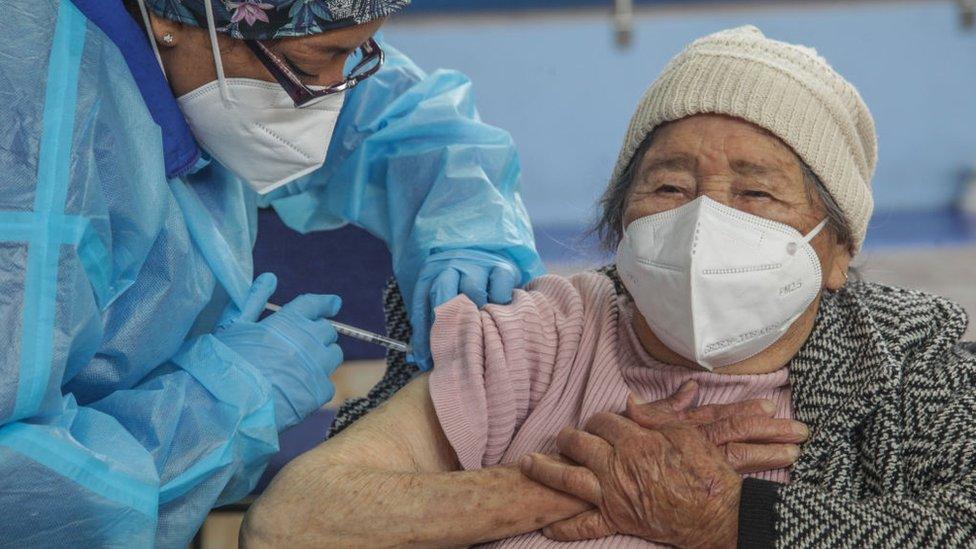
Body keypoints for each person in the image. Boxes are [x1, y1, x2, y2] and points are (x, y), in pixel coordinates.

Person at [241, 26, 976, 548]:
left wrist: (733, 518)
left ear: (838, 249)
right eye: (668, 183)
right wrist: (579, 479)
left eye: (755, 194)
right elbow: (293, 520)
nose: (702, 221)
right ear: (619, 219)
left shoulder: (913, 368)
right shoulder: (544, 333)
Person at [0, 0, 542, 546]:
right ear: (170, 25)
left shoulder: (242, 45)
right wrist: (220, 407)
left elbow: (403, 120)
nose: (334, 93)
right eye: (310, 70)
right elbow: (25, 496)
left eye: (354, 56)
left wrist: (465, 228)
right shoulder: (29, 130)